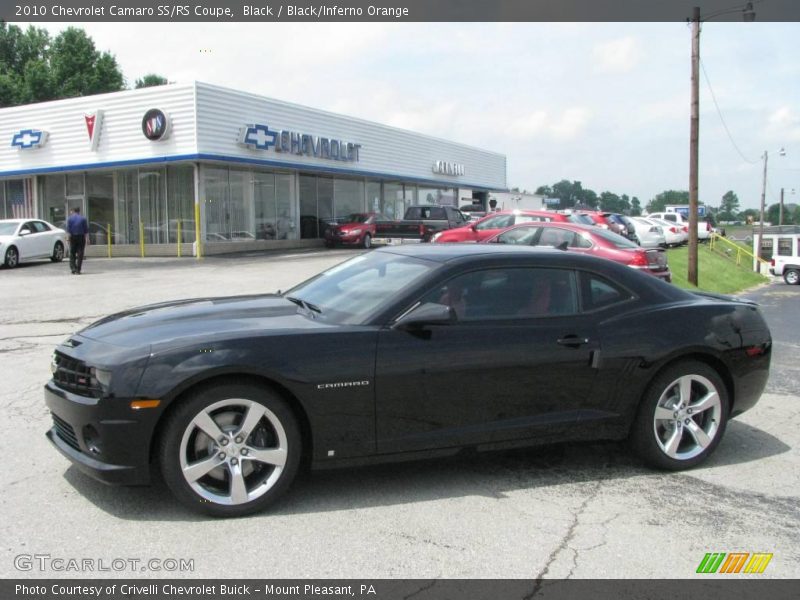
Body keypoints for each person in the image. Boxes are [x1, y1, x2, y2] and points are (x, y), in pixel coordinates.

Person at [66, 207, 89, 274]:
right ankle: (78, 269)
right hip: (81, 237)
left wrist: (68, 238)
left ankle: (73, 268)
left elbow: (68, 230)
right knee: (80, 253)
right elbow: (86, 231)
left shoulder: (70, 219)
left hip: (73, 237)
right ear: (79, 211)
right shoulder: (83, 219)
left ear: (73, 211)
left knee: (72, 253)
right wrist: (87, 239)